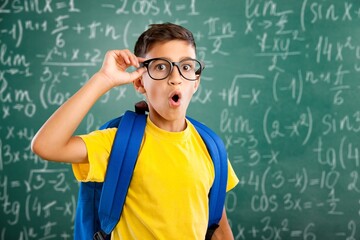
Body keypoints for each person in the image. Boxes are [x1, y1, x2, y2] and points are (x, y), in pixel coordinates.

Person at [31, 22, 239, 239]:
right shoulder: (118, 143)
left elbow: (217, 226)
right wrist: (104, 79)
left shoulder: (211, 148)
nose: (175, 77)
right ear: (140, 82)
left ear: (196, 81)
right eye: (161, 67)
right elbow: (46, 145)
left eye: (186, 67)